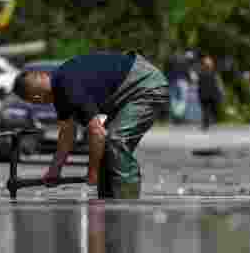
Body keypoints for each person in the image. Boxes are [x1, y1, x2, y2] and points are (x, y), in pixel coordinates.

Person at [12, 51, 169, 199]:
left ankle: (127, 204)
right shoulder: (59, 88)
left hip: (146, 86)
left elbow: (97, 134)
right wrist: (54, 169)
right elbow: (67, 134)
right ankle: (109, 206)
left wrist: (93, 172)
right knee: (106, 153)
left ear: (36, 98)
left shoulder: (67, 85)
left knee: (116, 141)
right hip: (128, 92)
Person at [197, 55, 224, 131]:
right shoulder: (209, 73)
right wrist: (221, 91)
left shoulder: (203, 73)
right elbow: (219, 83)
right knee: (207, 109)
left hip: (208, 94)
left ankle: (207, 123)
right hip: (208, 94)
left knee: (207, 110)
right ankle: (206, 123)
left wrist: (220, 91)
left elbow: (218, 83)